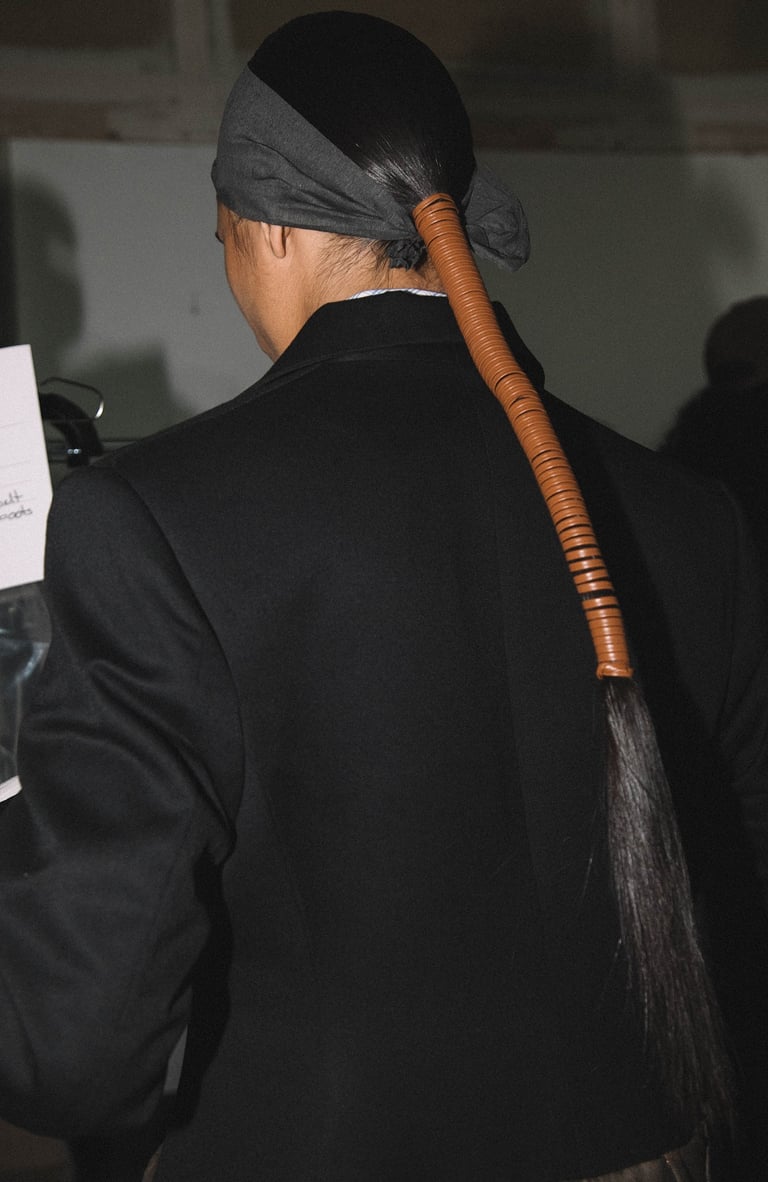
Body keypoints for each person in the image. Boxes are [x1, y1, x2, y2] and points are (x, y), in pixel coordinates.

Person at [0, 12, 766, 1181]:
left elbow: (73, 1046)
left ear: (265, 227)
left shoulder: (151, 520)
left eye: (221, 236)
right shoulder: (694, 518)